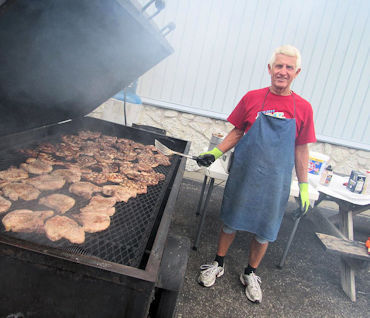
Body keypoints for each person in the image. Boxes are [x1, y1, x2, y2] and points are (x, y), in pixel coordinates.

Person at [196, 45, 316, 304]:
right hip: (246, 174)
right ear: (270, 68)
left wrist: (304, 186)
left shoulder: (304, 108)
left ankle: (250, 274)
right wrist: (215, 153)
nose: (283, 71)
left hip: (276, 182)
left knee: (265, 231)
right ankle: (218, 263)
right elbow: (237, 132)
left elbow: (301, 149)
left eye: (289, 67)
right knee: (231, 222)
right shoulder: (252, 97)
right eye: (279, 66)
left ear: (297, 72)